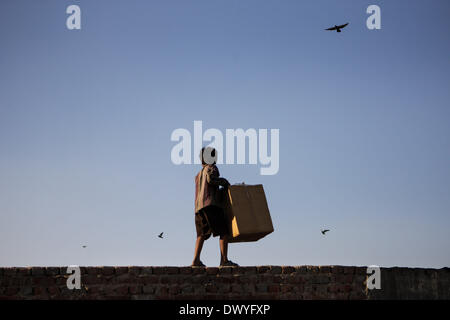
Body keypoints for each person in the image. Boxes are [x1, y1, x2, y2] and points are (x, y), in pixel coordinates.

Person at [192, 147, 239, 267]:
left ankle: (196, 260)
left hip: (198, 208)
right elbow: (211, 180)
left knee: (201, 234)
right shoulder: (211, 168)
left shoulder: (198, 174)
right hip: (211, 205)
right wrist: (224, 182)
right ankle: (224, 260)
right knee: (224, 231)